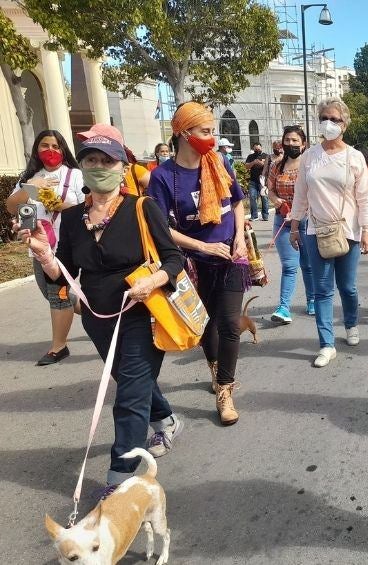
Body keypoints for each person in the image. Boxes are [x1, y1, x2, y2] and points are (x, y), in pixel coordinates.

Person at [21, 133, 184, 493]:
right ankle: (166, 418)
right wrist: (44, 253)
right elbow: (62, 269)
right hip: (98, 320)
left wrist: (153, 281)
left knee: (128, 397)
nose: (98, 168)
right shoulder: (74, 217)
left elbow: (174, 259)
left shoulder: (142, 208)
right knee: (129, 382)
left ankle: (119, 479)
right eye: (90, 161)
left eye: (106, 161)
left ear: (122, 168)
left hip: (143, 313)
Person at [147, 102, 249, 426]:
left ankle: (225, 391)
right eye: (205, 132)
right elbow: (162, 228)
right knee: (206, 325)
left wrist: (240, 238)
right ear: (183, 133)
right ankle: (216, 366)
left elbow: (237, 202)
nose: (212, 138)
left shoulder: (219, 163)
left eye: (213, 131)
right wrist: (203, 245)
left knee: (231, 323)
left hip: (231, 258)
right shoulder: (162, 177)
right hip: (192, 264)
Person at [289, 97, 368, 368]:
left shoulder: (355, 157)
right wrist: (294, 225)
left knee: (347, 287)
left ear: (345, 125)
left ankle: (351, 324)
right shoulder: (310, 157)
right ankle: (326, 344)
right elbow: (301, 193)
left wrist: (367, 231)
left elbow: (364, 198)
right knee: (322, 290)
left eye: (335, 119)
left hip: (348, 230)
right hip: (316, 231)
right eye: (324, 118)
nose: (329, 123)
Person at [5, 130, 85, 366]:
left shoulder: (76, 176)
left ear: (63, 149)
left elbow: (85, 207)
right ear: (36, 150)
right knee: (50, 292)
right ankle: (97, 314)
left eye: (55, 146)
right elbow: (11, 206)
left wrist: (49, 197)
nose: (50, 150)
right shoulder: (29, 177)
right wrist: (30, 186)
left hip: (68, 244)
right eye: (44, 145)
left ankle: (58, 347)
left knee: (57, 293)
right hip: (40, 246)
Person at [268, 126, 315, 323]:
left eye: (295, 140)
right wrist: (276, 201)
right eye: (287, 140)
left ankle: (312, 299)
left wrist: (301, 210)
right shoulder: (276, 166)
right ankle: (283, 308)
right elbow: (270, 190)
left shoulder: (310, 165)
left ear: (303, 144)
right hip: (282, 221)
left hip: (306, 221)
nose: (290, 144)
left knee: (308, 265)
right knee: (289, 266)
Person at [77, 124, 150, 196]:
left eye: (108, 161)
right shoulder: (89, 175)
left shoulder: (135, 170)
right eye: (91, 160)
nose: (89, 143)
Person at [245, 142, 269, 221]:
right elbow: (246, 166)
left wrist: (261, 163)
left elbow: (268, 166)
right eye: (255, 149)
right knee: (252, 197)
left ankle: (265, 216)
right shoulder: (251, 156)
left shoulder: (266, 156)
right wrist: (253, 162)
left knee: (264, 198)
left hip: (262, 181)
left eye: (258, 149)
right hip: (253, 181)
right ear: (253, 149)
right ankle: (254, 216)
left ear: (261, 148)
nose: (257, 150)